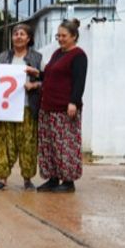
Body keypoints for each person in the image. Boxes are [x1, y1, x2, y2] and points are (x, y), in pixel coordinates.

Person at [27, 19, 88, 193]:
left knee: (65, 145)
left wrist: (73, 102)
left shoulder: (78, 55)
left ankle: (68, 181)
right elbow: (49, 76)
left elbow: (79, 82)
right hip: (47, 108)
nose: (60, 39)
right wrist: (37, 73)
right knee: (49, 145)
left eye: (64, 36)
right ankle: (53, 178)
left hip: (64, 108)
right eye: (58, 36)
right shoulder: (56, 54)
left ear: (74, 36)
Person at [0, 24, 42, 191]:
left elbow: (47, 79)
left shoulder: (38, 58)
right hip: (6, 108)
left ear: (28, 38)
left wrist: (35, 83)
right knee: (3, 143)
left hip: (27, 107)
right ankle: (2, 178)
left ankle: (27, 179)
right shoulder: (4, 57)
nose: (18, 37)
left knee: (28, 143)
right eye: (15, 34)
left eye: (22, 34)